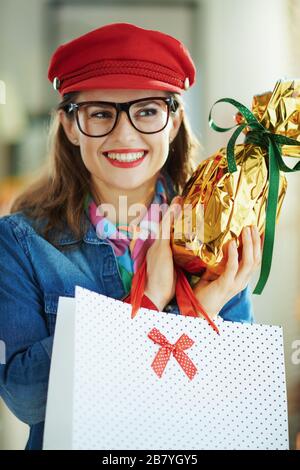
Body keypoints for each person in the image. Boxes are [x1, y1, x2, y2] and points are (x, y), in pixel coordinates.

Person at [0, 23, 261, 450]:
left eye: (147, 111)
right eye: (101, 112)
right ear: (70, 126)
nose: (124, 135)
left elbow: (229, 403)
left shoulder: (216, 233)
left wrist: (196, 310)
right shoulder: (19, 243)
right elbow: (28, 399)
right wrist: (150, 302)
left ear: (173, 122)